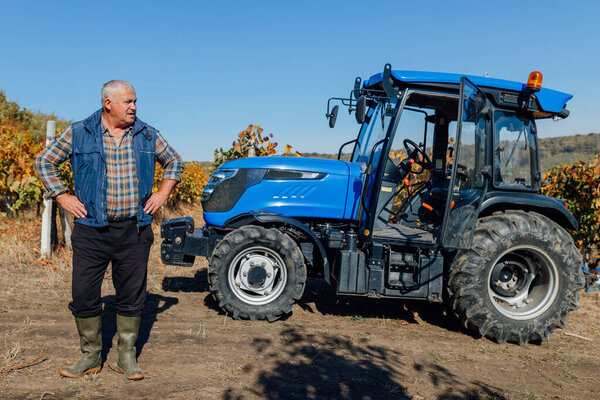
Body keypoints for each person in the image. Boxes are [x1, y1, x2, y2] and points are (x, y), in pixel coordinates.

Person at [35, 80, 183, 380]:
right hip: (91, 230)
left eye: (135, 101)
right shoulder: (79, 132)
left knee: (131, 294)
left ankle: (126, 356)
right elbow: (44, 161)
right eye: (128, 101)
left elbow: (174, 162)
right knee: (84, 294)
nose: (134, 107)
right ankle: (90, 356)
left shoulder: (146, 134)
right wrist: (63, 196)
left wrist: (162, 194)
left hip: (134, 230)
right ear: (108, 104)